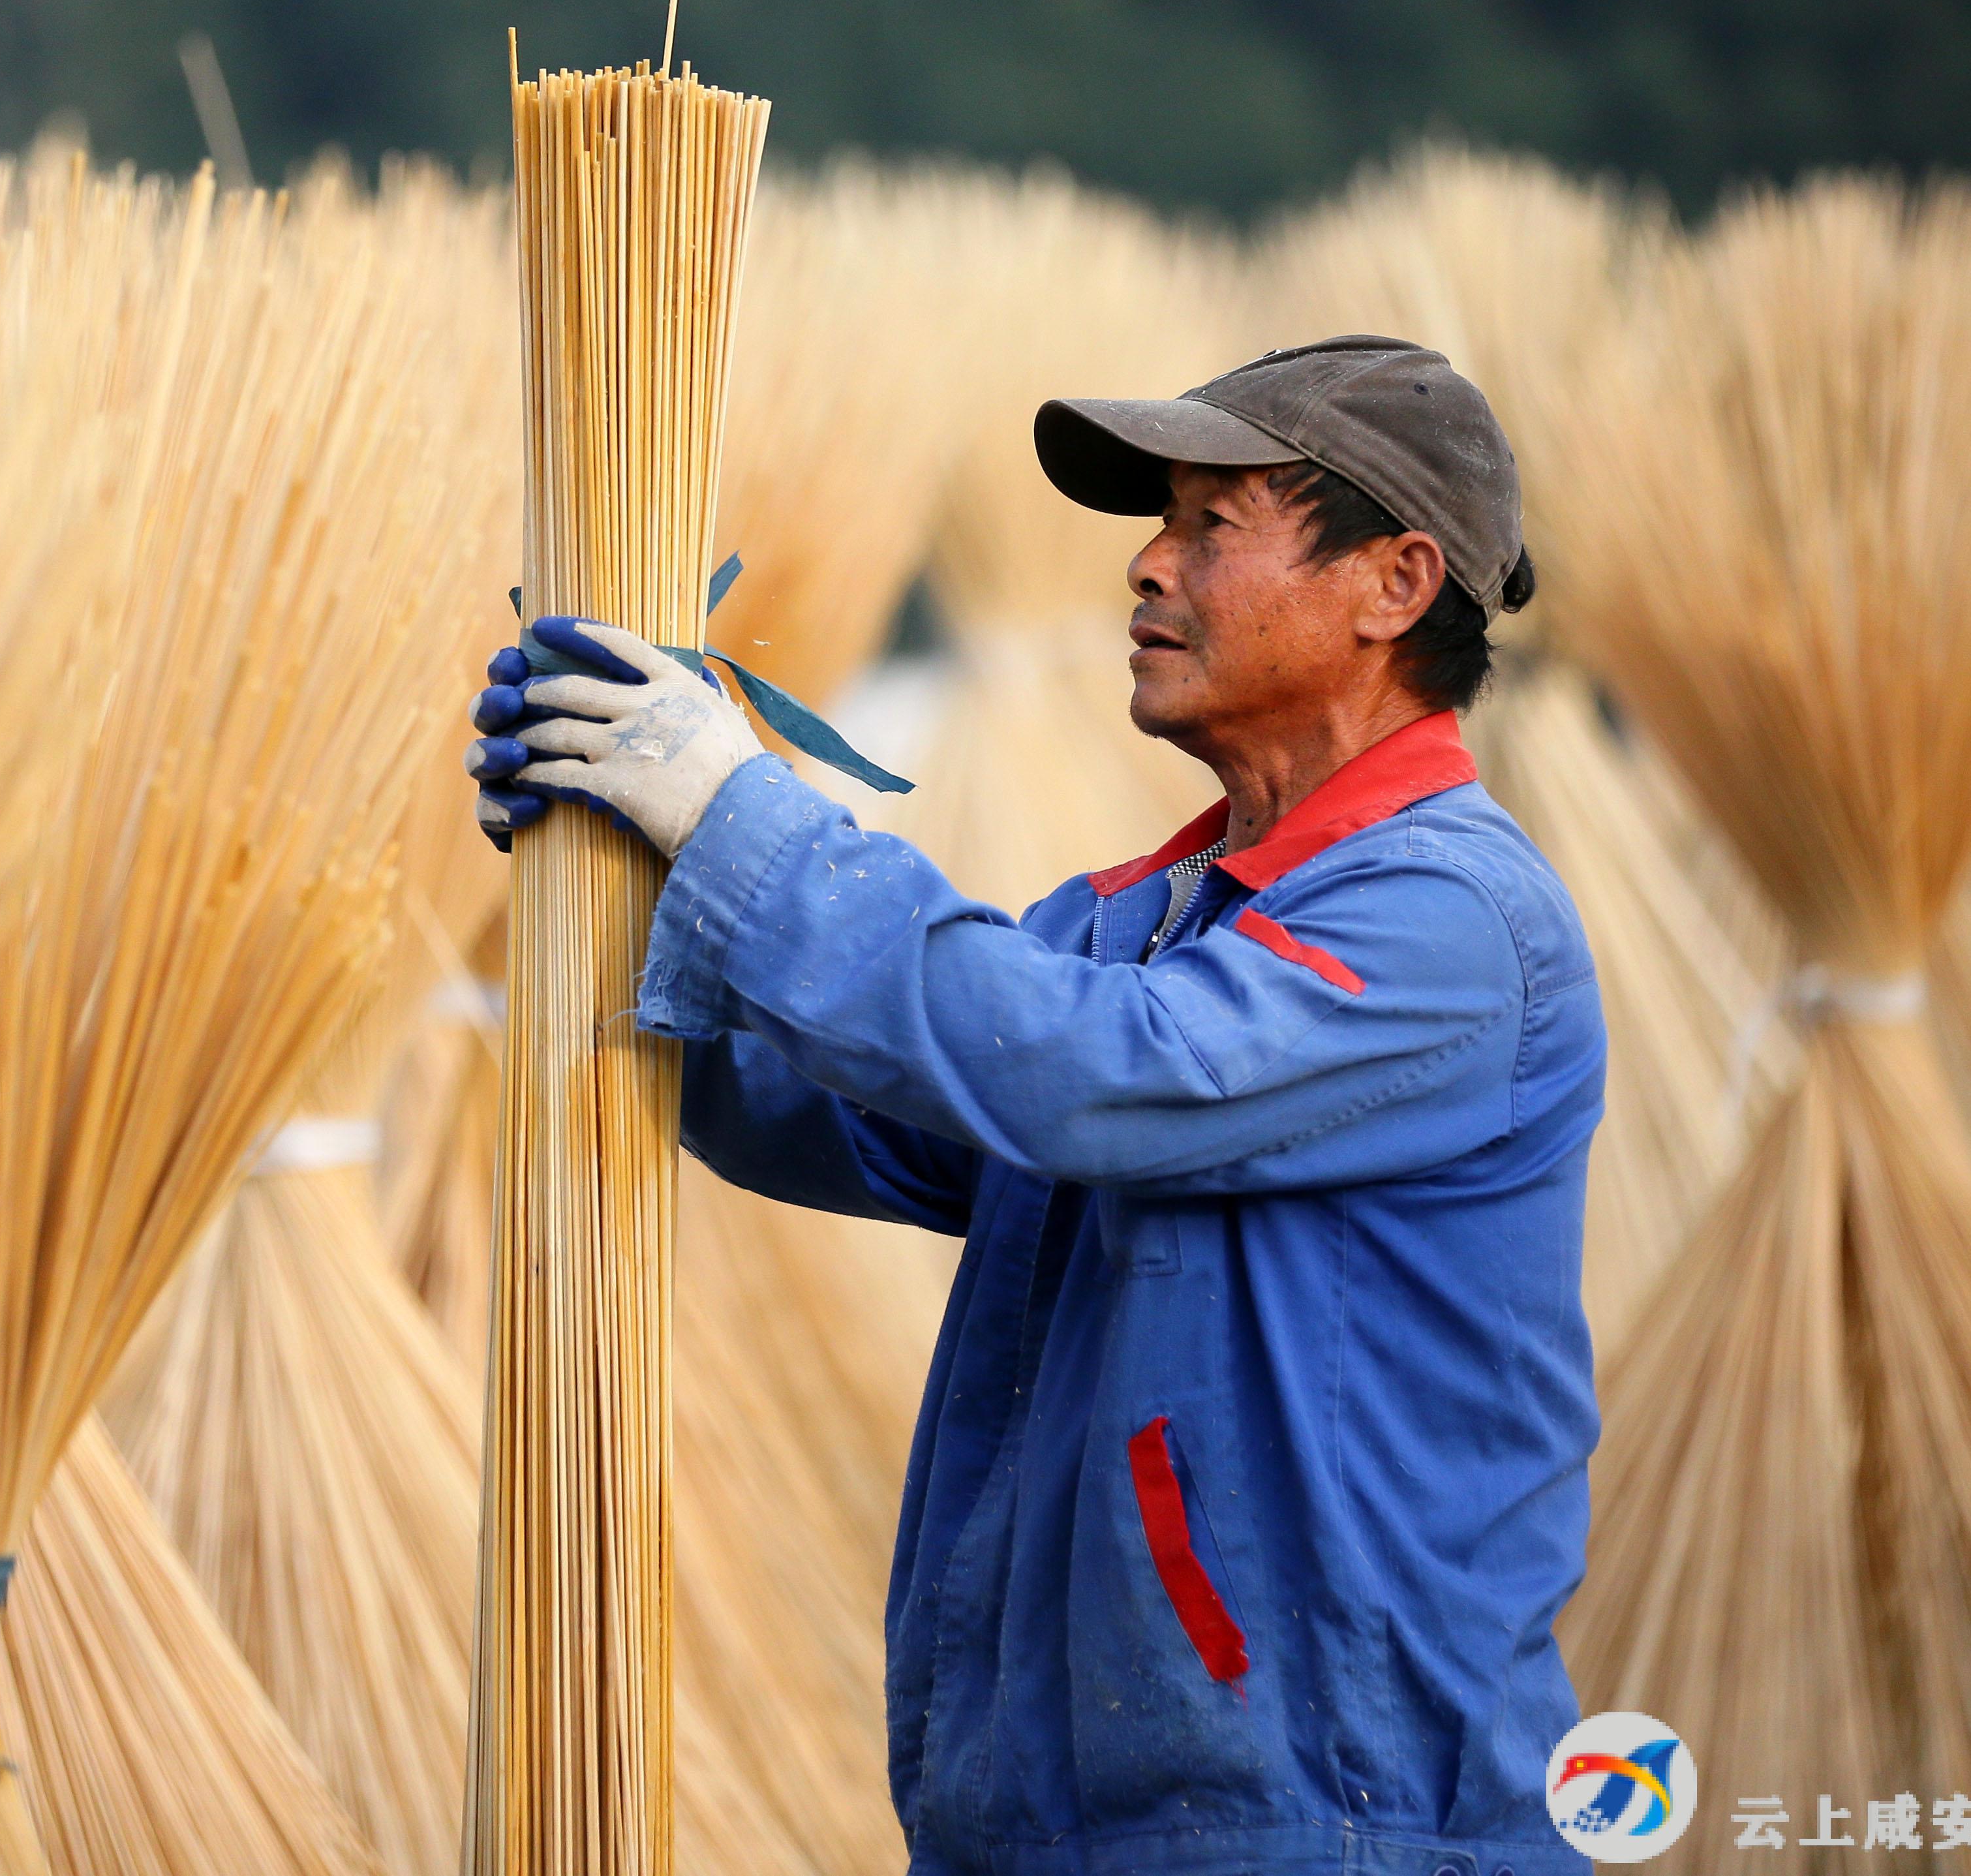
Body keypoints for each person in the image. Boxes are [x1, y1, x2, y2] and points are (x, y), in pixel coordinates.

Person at [469, 335, 1600, 1876]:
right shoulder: (1145, 919)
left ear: (1393, 584)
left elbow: (1093, 1075)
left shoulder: (1450, 924)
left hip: (1336, 1820)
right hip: (1075, 1816)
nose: (1148, 565)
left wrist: (740, 819)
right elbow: (887, 1103)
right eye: (1162, 523)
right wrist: (620, 891)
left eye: (1214, 524)